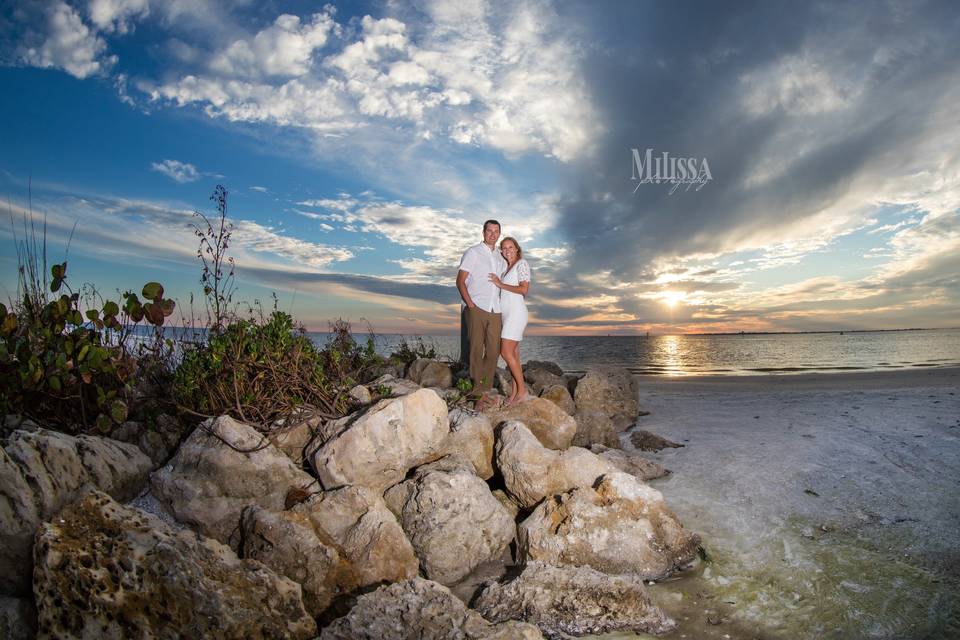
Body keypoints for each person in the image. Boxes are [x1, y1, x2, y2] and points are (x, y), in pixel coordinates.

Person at [456, 220, 507, 406]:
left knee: (494, 351)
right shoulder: (473, 252)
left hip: (495, 309)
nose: (493, 234)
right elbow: (460, 280)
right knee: (476, 350)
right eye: (489, 231)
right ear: (483, 232)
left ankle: (484, 387)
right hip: (476, 307)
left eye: (496, 231)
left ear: (499, 234)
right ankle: (478, 393)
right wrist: (470, 304)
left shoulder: (501, 258)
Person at [488, 237, 531, 406]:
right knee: (514, 356)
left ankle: (522, 390)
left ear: (517, 248)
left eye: (510, 247)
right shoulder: (507, 269)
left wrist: (500, 284)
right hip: (506, 315)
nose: (507, 250)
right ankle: (514, 394)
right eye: (504, 248)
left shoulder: (522, 264)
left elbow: (524, 289)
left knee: (505, 352)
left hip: (516, 313)